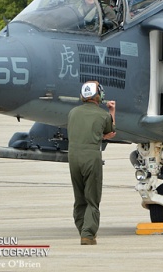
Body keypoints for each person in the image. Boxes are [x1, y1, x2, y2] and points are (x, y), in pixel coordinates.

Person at [67, 81, 116, 245]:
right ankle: (88, 234)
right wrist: (112, 111)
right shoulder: (102, 115)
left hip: (73, 157)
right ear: (98, 96)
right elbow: (111, 131)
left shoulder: (73, 113)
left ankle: (83, 229)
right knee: (92, 198)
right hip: (91, 157)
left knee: (79, 197)